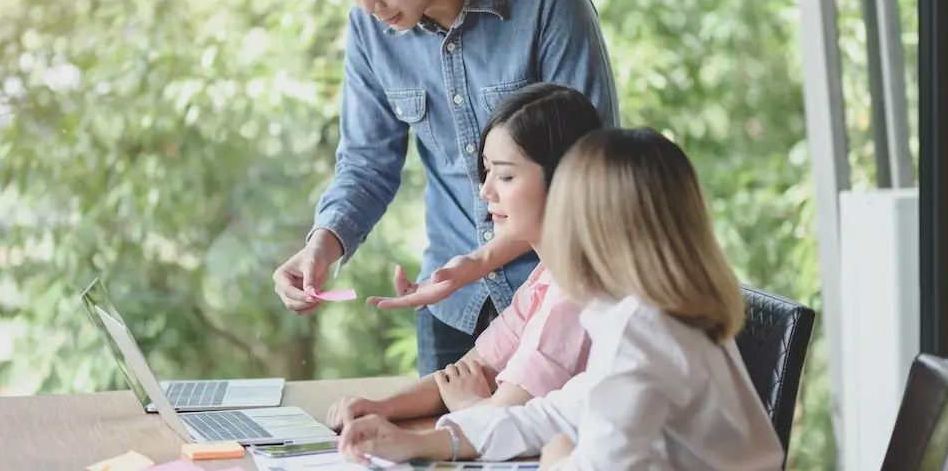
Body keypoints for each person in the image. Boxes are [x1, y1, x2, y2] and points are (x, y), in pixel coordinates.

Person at [273, 0, 620, 376]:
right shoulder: (371, 31)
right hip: (451, 310)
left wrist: (482, 260)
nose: (369, 6)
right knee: (439, 451)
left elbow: (589, 176)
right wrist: (321, 246)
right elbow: (367, 163)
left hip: (559, 300)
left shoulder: (548, 2)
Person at [336, 128, 786, 470]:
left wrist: (559, 454)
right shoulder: (641, 313)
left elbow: (572, 446)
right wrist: (416, 443)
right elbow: (553, 414)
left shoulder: (646, 331)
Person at [326, 83, 603, 431]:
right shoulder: (547, 277)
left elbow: (503, 420)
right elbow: (469, 372)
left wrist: (468, 403)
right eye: (486, 172)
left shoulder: (574, 295)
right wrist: (379, 408)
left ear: (565, 179)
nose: (486, 191)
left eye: (505, 175)